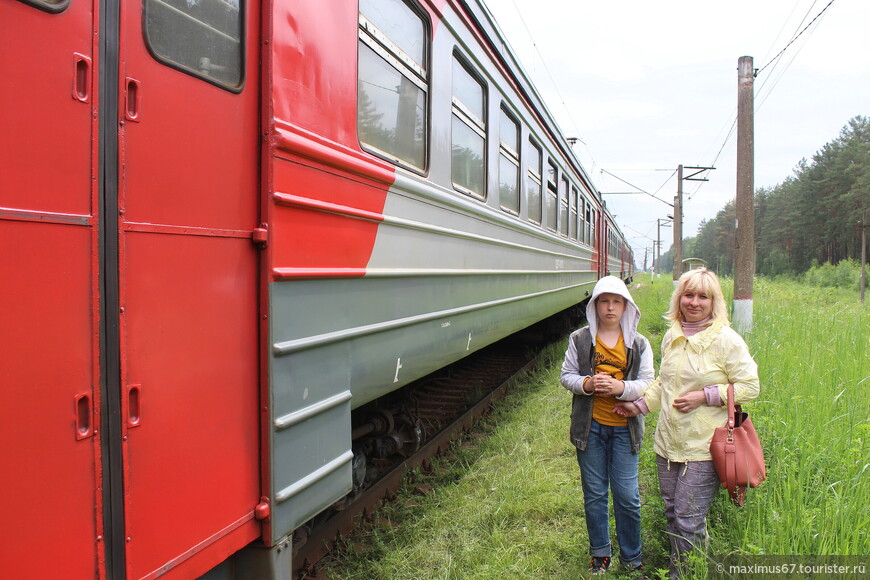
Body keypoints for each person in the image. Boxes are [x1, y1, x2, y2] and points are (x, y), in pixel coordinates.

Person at [615, 268, 760, 579]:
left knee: (688, 517)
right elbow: (663, 384)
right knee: (673, 514)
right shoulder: (673, 335)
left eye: (703, 297)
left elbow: (750, 386)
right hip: (668, 443)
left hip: (704, 445)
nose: (695, 302)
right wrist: (638, 406)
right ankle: (694, 568)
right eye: (689, 295)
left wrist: (705, 396)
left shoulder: (725, 340)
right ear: (679, 299)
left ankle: (680, 575)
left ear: (713, 302)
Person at [560, 276, 654, 576]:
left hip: (626, 430)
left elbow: (647, 383)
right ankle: (600, 552)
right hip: (591, 429)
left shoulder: (638, 344)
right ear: (595, 305)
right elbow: (567, 375)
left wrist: (620, 388)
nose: (610, 307)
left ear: (626, 306)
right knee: (595, 494)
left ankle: (632, 554)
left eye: (617, 301)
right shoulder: (580, 339)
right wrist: (587, 383)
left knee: (627, 494)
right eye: (604, 301)